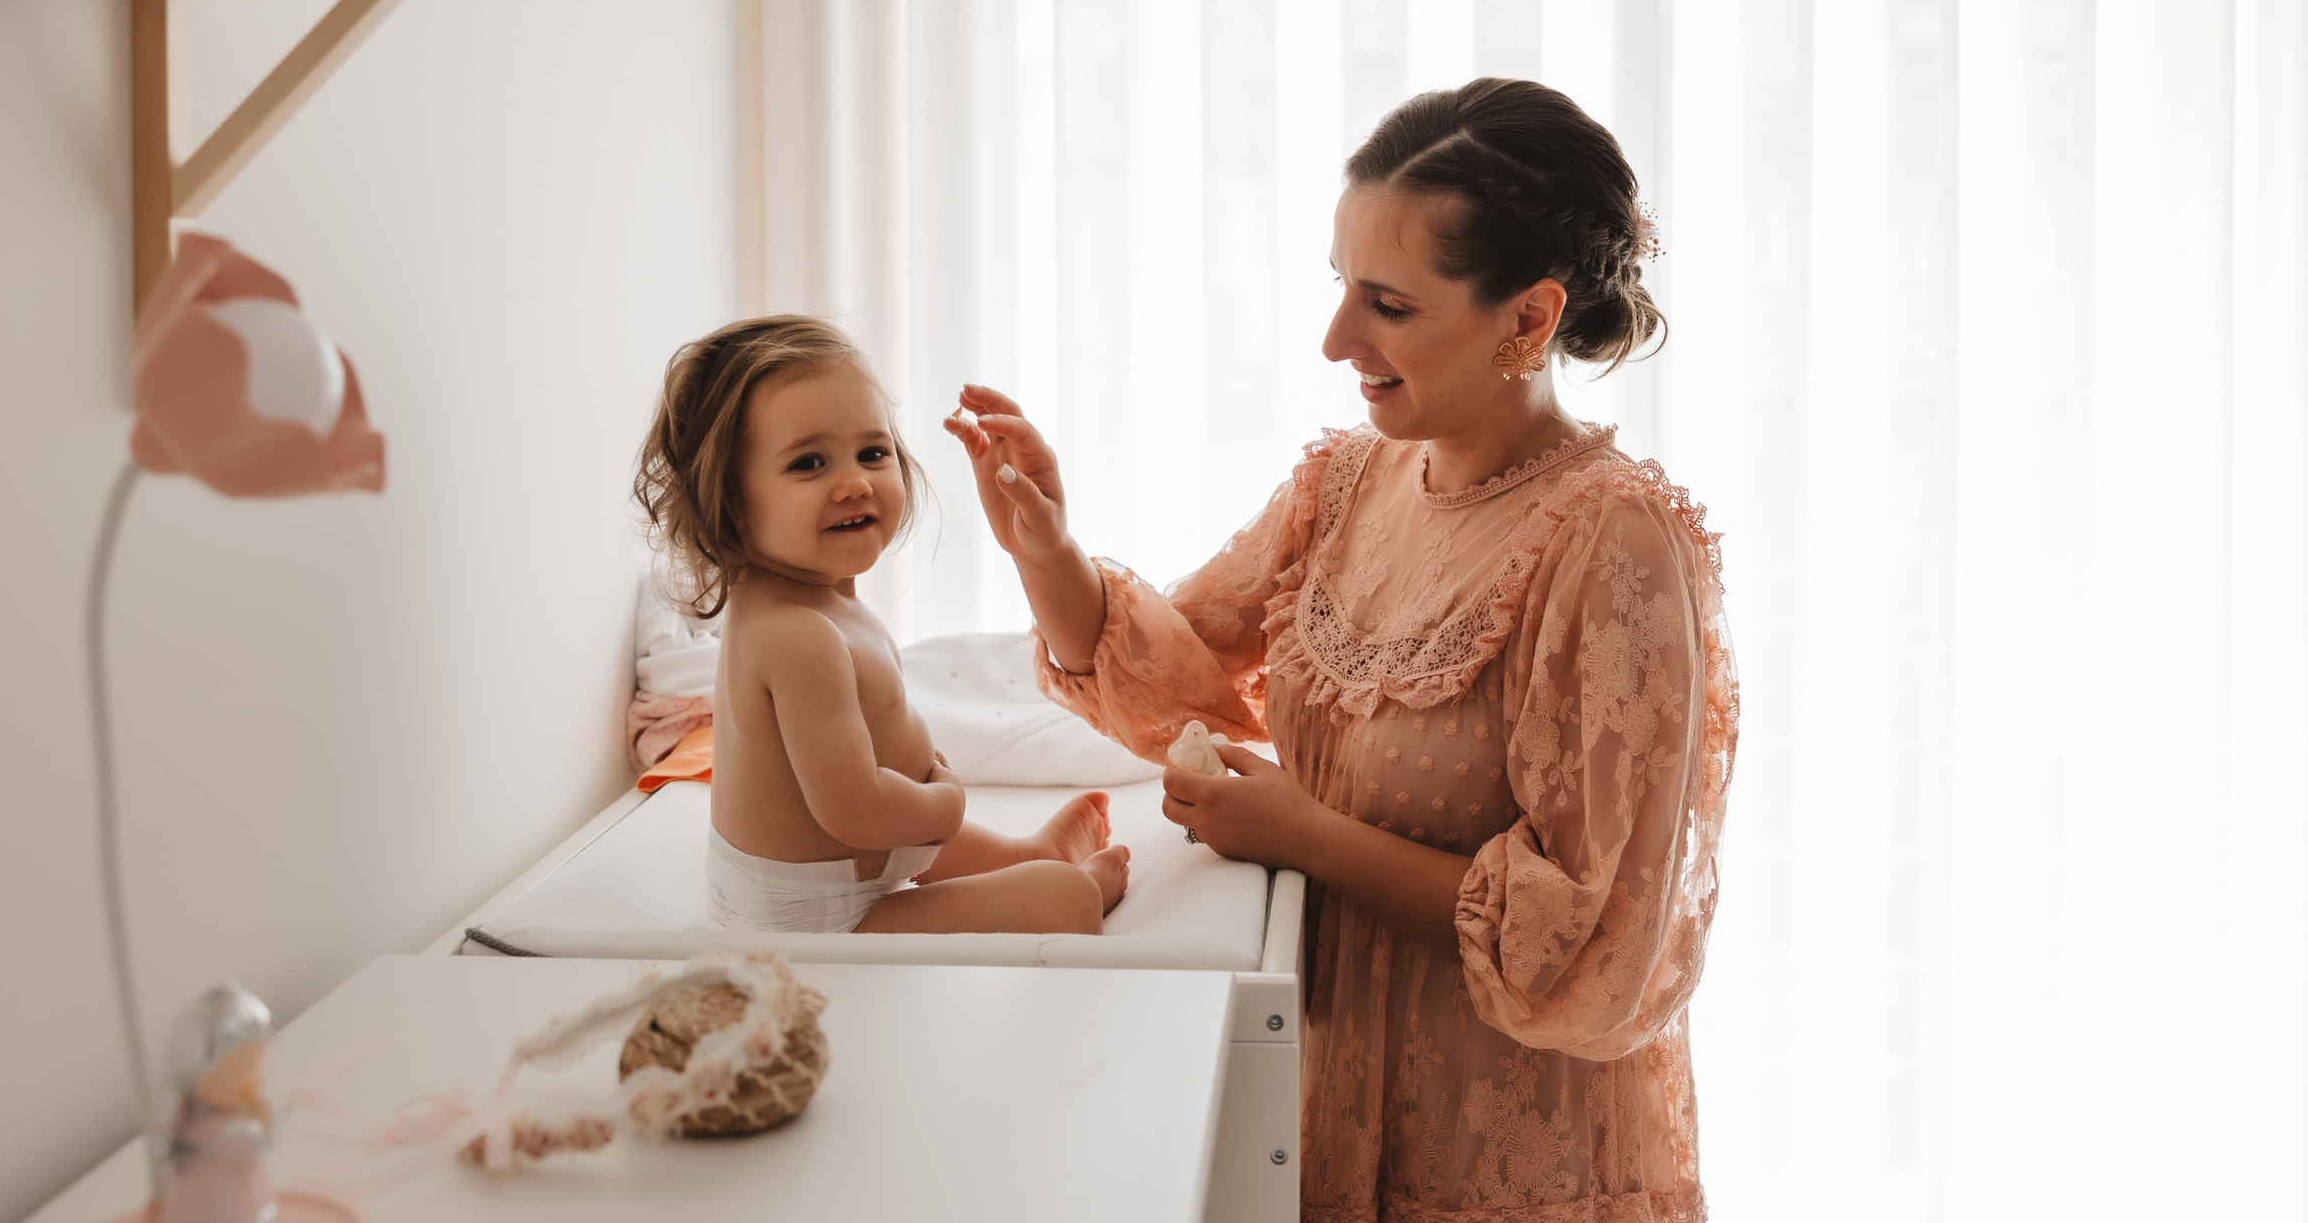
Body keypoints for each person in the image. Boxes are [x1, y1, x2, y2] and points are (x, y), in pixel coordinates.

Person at [949, 78, 1737, 1221]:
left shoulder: (1614, 544)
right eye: (1338, 285)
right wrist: (1046, 546)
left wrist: (1306, 832)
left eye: (1387, 303)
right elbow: (1176, 678)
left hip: (1505, 1133)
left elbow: (1592, 940)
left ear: (1527, 319)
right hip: (1325, 1084)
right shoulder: (1346, 480)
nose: (1335, 339)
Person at [636, 315, 1128, 936]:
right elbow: (856, 810)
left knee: (945, 845)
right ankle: (1067, 886)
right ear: (729, 501)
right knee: (1054, 898)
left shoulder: (807, 597)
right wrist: (943, 803)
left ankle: (1022, 856)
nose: (854, 482)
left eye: (873, 452)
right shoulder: (796, 635)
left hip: (845, 869)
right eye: (809, 463)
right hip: (817, 919)